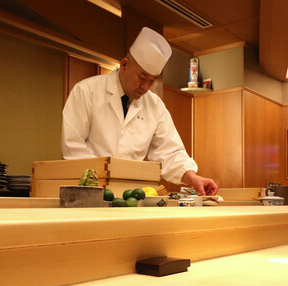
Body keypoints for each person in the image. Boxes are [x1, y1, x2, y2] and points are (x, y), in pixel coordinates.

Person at [61, 27, 218, 196]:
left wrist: (193, 178)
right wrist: (102, 183)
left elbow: (169, 152)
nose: (145, 87)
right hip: (88, 193)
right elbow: (73, 147)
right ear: (124, 65)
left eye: (152, 81)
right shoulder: (86, 91)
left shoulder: (155, 105)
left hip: (131, 196)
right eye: (142, 78)